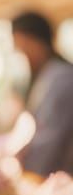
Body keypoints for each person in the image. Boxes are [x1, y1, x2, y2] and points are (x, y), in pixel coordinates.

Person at [12, 10, 73, 176]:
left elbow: (51, 138)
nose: (22, 54)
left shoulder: (61, 78)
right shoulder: (48, 76)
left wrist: (27, 170)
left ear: (37, 41)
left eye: (23, 46)